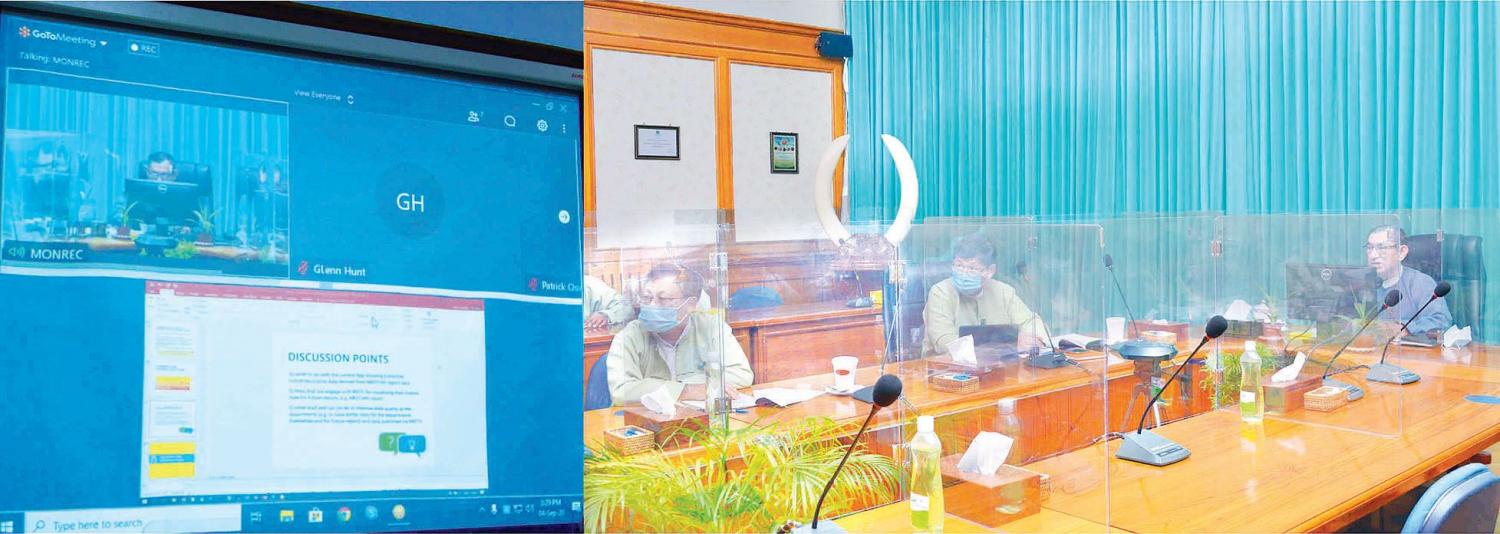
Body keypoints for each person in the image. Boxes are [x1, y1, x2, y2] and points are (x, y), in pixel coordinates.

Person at [605, 264, 753, 405]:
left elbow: (741, 374)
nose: (652, 305)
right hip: (645, 419)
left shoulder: (711, 327)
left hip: (696, 416)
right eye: (647, 297)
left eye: (663, 299)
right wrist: (684, 390)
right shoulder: (629, 336)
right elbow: (621, 391)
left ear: (691, 304)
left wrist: (688, 387)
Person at [922, 234, 1047, 357]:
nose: (964, 274)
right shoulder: (940, 292)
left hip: (1000, 365)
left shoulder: (1003, 291)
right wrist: (1008, 345)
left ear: (990, 271)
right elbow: (944, 343)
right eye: (959, 266)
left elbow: (1030, 322)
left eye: (972, 268)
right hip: (944, 367)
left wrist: (1032, 339)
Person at [1365, 225, 1452, 336]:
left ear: (1401, 252)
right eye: (1369, 248)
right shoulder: (1362, 284)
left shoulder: (1420, 282)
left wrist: (1405, 328)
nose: (1373, 255)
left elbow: (1442, 320)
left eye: (1382, 248)